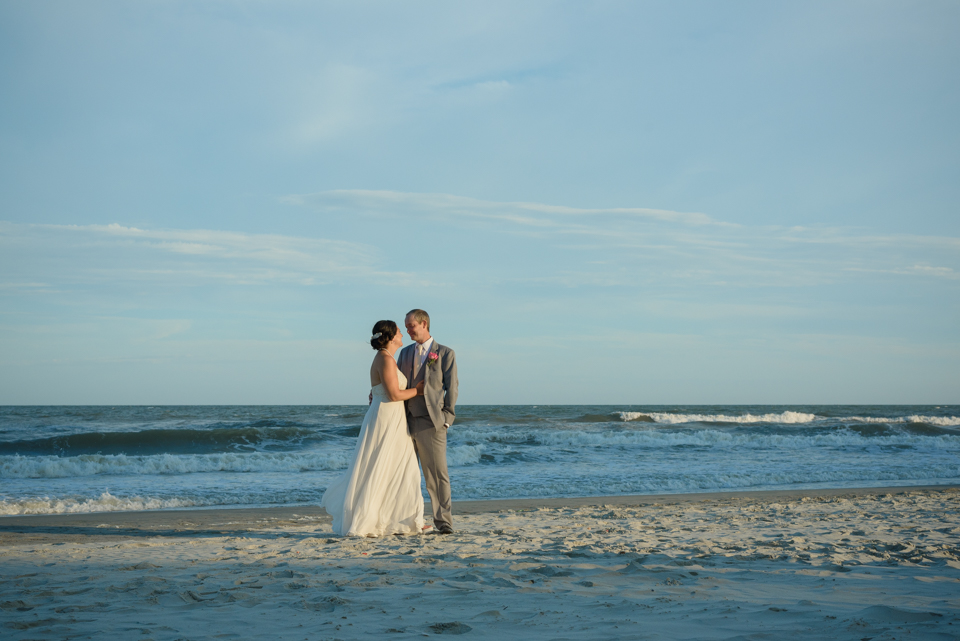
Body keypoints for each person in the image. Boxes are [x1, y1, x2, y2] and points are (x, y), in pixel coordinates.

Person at [320, 320, 427, 537]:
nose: (402, 334)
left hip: (391, 417)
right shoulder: (385, 359)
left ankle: (401, 519)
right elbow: (394, 395)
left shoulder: (387, 359)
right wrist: (418, 391)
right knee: (384, 466)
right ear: (389, 336)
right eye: (399, 331)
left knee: (398, 467)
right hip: (386, 420)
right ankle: (388, 520)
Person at [398, 309, 458, 534]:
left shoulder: (444, 353)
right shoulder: (404, 354)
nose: (407, 330)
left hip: (432, 422)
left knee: (436, 475)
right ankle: (407, 521)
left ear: (424, 324)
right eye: (406, 326)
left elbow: (452, 387)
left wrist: (447, 419)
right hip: (404, 421)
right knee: (406, 474)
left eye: (411, 325)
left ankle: (443, 523)